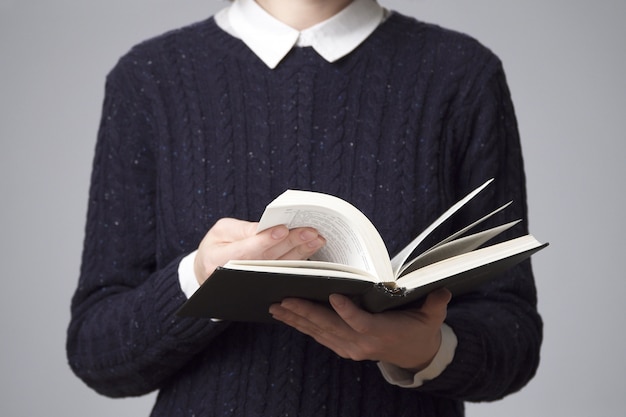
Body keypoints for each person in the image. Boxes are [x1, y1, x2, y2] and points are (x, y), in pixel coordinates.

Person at [66, 0, 543, 416]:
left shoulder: (461, 73)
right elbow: (96, 353)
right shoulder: (149, 77)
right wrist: (198, 279)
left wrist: (427, 350)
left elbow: (514, 339)